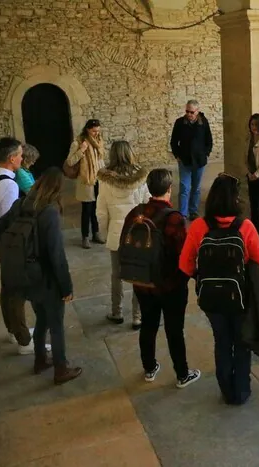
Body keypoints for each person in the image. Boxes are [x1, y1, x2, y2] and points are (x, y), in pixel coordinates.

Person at [179, 173, 259, 405]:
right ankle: (241, 392)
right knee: (241, 343)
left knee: (221, 341)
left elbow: (185, 264)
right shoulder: (246, 226)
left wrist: (202, 277)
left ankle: (226, 389)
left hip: (211, 299)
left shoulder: (199, 226)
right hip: (240, 296)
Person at [0, 167, 81, 385]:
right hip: (45, 277)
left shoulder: (22, 203)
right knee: (56, 324)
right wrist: (66, 287)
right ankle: (61, 368)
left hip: (24, 274)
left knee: (41, 317)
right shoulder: (49, 211)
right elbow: (56, 254)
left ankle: (40, 359)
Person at [122, 169, 201, 388]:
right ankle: (182, 374)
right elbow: (183, 254)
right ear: (169, 189)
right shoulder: (173, 218)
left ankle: (149, 368)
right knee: (174, 330)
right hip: (170, 285)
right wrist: (195, 276)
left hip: (143, 281)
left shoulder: (135, 213)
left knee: (148, 325)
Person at [0, 137, 35, 355]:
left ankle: (13, 329)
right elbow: (11, 222)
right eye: (19, 154)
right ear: (10, 158)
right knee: (17, 290)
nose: (22, 158)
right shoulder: (8, 185)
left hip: (2, 241)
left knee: (8, 287)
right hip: (11, 244)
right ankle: (24, 340)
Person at [97, 141, 149, 329]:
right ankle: (137, 316)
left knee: (117, 274)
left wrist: (104, 233)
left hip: (116, 233)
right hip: (136, 233)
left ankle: (117, 312)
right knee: (138, 273)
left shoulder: (105, 179)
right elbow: (147, 203)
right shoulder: (141, 176)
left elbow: (101, 211)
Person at [170, 99, 213, 220]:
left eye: (191, 112)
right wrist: (177, 155)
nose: (189, 114)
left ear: (197, 112)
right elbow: (174, 141)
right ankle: (183, 214)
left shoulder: (203, 122)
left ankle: (193, 211)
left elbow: (208, 140)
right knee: (184, 187)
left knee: (196, 187)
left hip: (199, 161)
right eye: (187, 111)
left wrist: (206, 153)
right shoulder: (180, 123)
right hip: (185, 160)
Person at [66, 119, 106, 249]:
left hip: (98, 179)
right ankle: (85, 237)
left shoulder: (99, 142)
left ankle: (96, 233)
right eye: (94, 131)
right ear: (88, 129)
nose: (96, 133)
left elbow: (101, 160)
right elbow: (70, 162)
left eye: (98, 131)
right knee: (87, 210)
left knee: (97, 209)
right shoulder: (78, 143)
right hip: (86, 181)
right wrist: (82, 150)